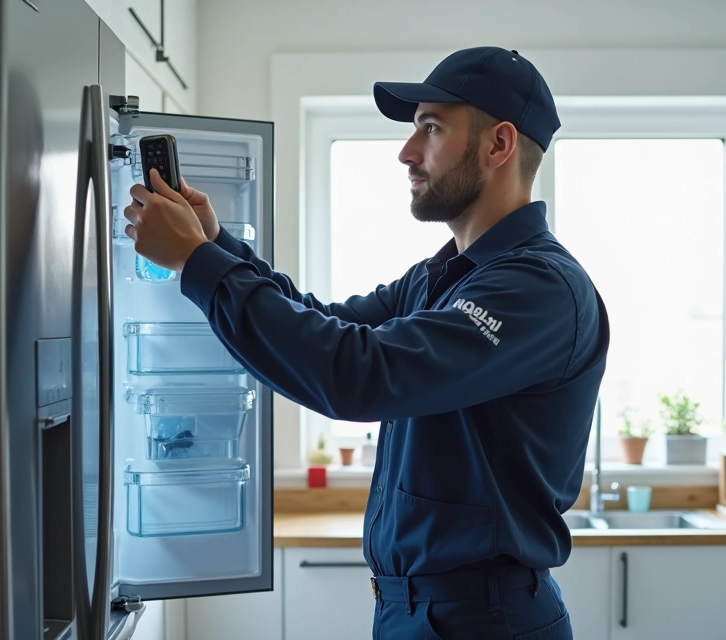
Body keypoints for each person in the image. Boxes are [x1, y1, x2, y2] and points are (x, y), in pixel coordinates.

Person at [123, 46, 609, 640]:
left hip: (485, 619)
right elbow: (322, 323)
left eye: (430, 128)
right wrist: (217, 244)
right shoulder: (441, 277)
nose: (406, 152)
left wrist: (197, 263)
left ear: (499, 145)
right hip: (415, 612)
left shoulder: (536, 289)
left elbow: (357, 375)